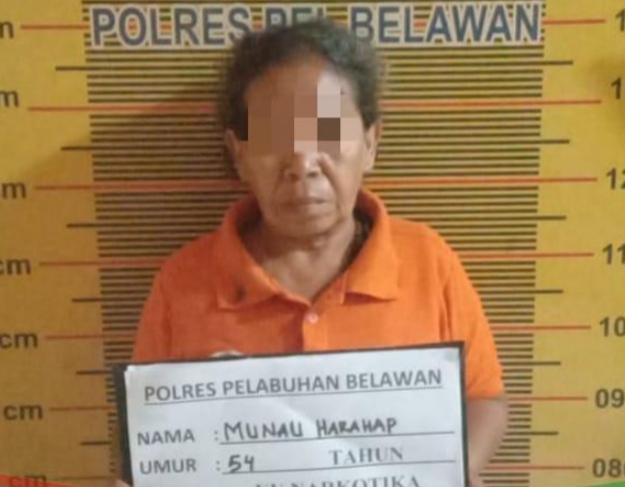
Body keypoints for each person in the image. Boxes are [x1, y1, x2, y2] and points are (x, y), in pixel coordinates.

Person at [118, 17, 507, 487]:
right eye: (272, 138)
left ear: (370, 143)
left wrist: (451, 468)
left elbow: (484, 398)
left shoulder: (429, 262)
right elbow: (154, 440)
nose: (302, 164)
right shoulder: (183, 283)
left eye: (328, 133)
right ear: (238, 155)